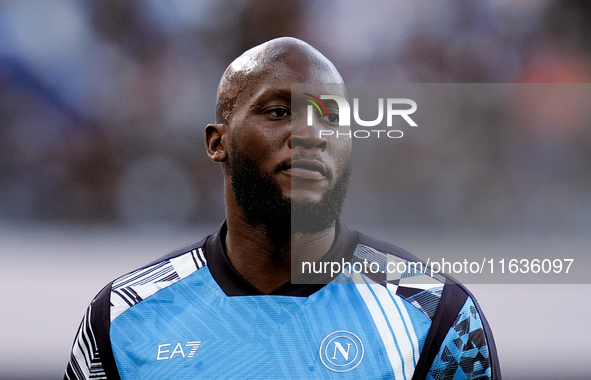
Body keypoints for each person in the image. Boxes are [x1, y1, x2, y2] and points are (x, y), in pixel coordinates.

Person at [65, 37, 501, 379]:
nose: (311, 134)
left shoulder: (437, 315)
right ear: (218, 142)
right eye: (277, 112)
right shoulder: (123, 318)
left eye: (332, 118)